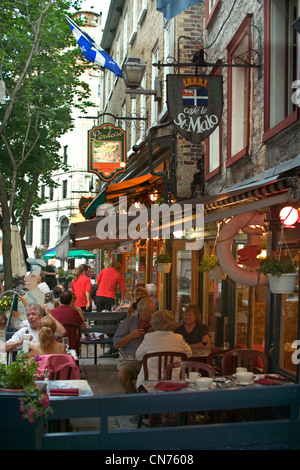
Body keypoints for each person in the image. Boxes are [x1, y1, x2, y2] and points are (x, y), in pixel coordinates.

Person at [135, 309, 192, 389]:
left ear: (154, 322)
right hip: (174, 382)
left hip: (151, 383)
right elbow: (189, 353)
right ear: (171, 322)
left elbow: (138, 356)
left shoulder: (149, 337)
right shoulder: (178, 338)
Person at [113, 297, 155, 394]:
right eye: (148, 311)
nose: (151, 314)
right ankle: (135, 398)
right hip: (131, 360)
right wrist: (131, 335)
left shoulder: (155, 323)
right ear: (140, 311)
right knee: (122, 376)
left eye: (153, 311)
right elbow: (116, 345)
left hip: (151, 360)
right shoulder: (128, 323)